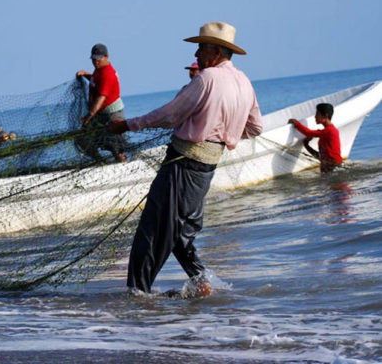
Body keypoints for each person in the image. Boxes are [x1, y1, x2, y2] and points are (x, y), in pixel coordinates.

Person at [108, 22, 263, 295]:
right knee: (179, 232)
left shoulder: (207, 79)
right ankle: (202, 282)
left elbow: (170, 115)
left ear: (216, 51)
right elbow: (255, 128)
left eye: (201, 48)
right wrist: (224, 131)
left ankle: (137, 295)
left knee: (153, 230)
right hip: (205, 168)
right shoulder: (244, 82)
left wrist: (128, 125)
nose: (197, 55)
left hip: (182, 165)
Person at [75, 43, 127, 162]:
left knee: (116, 148)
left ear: (106, 57)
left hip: (113, 114)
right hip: (100, 115)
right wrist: (86, 75)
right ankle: (101, 162)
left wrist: (88, 117)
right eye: (93, 59)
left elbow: (100, 99)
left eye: (98, 59)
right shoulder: (99, 70)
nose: (95, 62)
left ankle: (124, 166)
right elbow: (96, 80)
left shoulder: (107, 73)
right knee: (81, 139)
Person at [288, 103, 342, 173]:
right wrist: (306, 145)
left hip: (333, 168)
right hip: (331, 169)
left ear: (325, 116)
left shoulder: (330, 131)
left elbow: (308, 133)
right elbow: (320, 156)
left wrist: (297, 124)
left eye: (317, 114)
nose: (315, 117)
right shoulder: (325, 133)